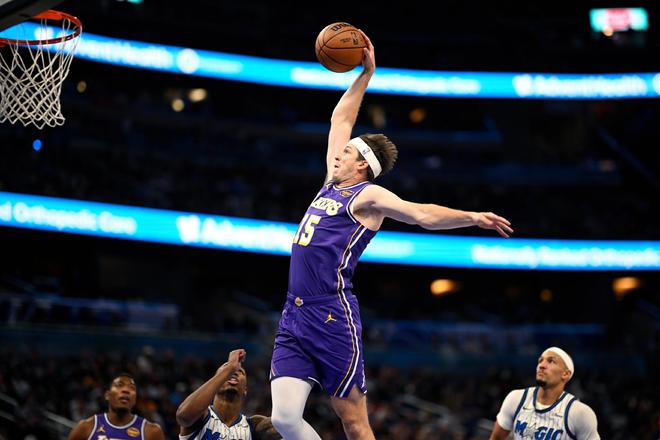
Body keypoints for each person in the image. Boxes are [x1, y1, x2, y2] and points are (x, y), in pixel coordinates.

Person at [269, 30, 513, 440]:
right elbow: (340, 119)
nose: (339, 153)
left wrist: (472, 216)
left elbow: (421, 215)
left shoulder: (368, 196)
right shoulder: (331, 182)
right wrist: (365, 75)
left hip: (331, 315)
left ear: (362, 165)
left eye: (348, 152)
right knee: (284, 419)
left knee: (353, 422)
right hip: (294, 314)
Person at [489, 347, 600, 440]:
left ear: (565, 374)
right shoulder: (516, 398)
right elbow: (496, 438)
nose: (541, 365)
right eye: (540, 361)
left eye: (551, 361)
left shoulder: (580, 413)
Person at [176, 349, 281, 440]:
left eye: (240, 372)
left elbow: (285, 423)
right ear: (215, 383)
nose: (234, 371)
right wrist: (229, 368)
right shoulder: (201, 416)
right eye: (226, 370)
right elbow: (183, 416)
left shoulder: (255, 425)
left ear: (245, 389)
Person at [67, 373, 165, 440]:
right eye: (119, 385)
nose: (126, 390)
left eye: (131, 388)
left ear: (135, 399)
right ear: (107, 395)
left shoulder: (152, 432)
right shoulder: (86, 427)